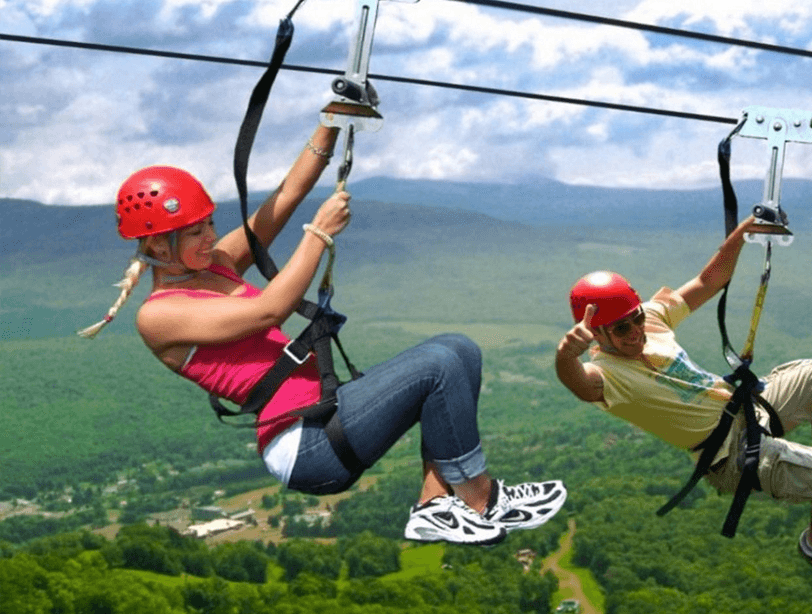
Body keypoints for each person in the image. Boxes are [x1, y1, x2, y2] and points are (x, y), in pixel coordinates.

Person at [81, 105, 566, 546]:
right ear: (159, 248)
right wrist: (318, 233)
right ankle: (483, 498)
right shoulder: (160, 314)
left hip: (325, 417)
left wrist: (331, 121)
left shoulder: (217, 265)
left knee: (459, 350)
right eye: (196, 232)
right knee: (439, 364)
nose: (210, 237)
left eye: (209, 224)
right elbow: (270, 310)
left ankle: (435, 504)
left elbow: (286, 196)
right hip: (304, 445)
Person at [554, 216, 812, 590]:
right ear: (596, 334)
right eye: (621, 328)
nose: (636, 330)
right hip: (729, 455)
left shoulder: (651, 320)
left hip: (746, 411)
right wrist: (566, 358)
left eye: (635, 317)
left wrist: (743, 233)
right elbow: (582, 387)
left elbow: (708, 282)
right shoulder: (607, 376)